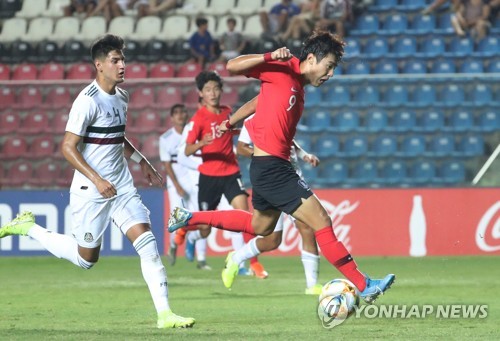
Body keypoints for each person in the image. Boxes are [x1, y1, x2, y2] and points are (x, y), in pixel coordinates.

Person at [168, 30, 395, 304]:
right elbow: (232, 66)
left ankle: (189, 217)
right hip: (273, 168)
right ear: (311, 58)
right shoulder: (282, 67)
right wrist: (269, 55)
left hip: (267, 167)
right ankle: (363, 284)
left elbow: (257, 101)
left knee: (260, 226)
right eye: (329, 66)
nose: (331, 74)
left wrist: (229, 123)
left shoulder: (297, 89)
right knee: (321, 222)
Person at [0, 34, 195, 329]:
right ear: (99, 65)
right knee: (86, 259)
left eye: (123, 60)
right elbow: (68, 146)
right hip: (91, 190)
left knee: (148, 244)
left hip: (122, 187)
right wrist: (98, 179)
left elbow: (117, 137)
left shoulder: (122, 96)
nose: (122, 65)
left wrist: (143, 163)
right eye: (115, 60)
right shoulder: (86, 101)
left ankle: (165, 314)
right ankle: (29, 228)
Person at [223, 104, 323, 295]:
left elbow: (290, 142)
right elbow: (241, 148)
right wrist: (262, 154)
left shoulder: (281, 114)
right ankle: (236, 258)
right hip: (272, 182)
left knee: (307, 228)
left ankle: (312, 285)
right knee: (271, 240)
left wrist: (304, 155)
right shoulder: (251, 121)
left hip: (293, 179)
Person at [180, 70, 268, 279]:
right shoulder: (198, 118)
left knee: (245, 213)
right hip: (209, 176)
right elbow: (187, 150)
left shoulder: (228, 112)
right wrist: (202, 143)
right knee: (204, 230)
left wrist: (236, 133)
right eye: (208, 89)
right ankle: (191, 238)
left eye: (216, 88)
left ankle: (252, 263)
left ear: (221, 91)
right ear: (201, 93)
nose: (213, 93)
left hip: (231, 172)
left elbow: (234, 132)